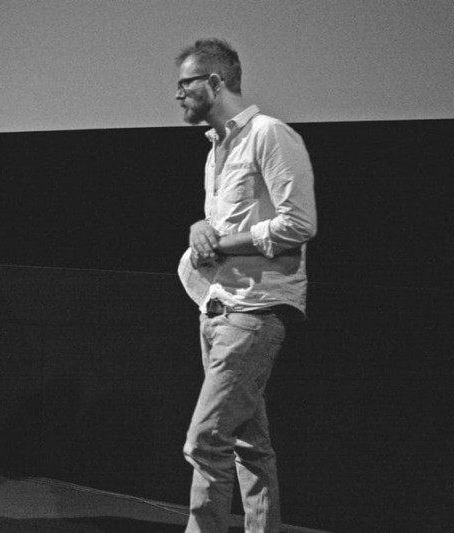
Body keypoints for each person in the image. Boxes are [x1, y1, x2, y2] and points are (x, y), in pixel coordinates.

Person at [174, 39, 317, 532]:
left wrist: (225, 242)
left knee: (205, 440)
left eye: (185, 84)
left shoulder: (269, 135)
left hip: (254, 313)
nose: (178, 95)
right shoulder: (217, 151)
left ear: (215, 81)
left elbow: (298, 224)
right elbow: (221, 231)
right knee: (247, 444)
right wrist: (201, 228)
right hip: (216, 309)